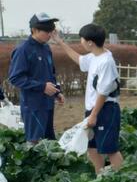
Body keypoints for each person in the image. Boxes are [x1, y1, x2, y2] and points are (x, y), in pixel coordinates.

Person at [53, 25, 123, 172]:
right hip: (93, 109)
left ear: (90, 42)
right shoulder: (94, 56)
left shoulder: (106, 61)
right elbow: (79, 60)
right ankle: (100, 177)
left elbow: (103, 92)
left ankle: (121, 180)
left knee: (110, 148)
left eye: (82, 39)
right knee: (92, 147)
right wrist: (60, 42)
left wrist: (94, 115)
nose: (81, 42)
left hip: (106, 109)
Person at [8, 13, 64, 142]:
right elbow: (15, 78)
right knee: (35, 143)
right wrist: (42, 87)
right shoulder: (23, 49)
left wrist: (57, 92)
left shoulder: (46, 48)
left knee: (49, 142)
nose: (50, 34)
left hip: (48, 104)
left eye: (51, 30)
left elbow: (51, 74)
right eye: (46, 30)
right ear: (34, 30)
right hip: (33, 105)